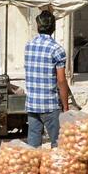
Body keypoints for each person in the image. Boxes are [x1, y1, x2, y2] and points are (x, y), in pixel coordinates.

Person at [23, 10, 69, 147]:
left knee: (33, 147)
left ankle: (32, 168)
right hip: (50, 105)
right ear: (53, 28)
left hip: (32, 104)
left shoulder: (29, 46)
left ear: (38, 27)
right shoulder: (57, 49)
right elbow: (61, 81)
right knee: (58, 145)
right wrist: (65, 106)